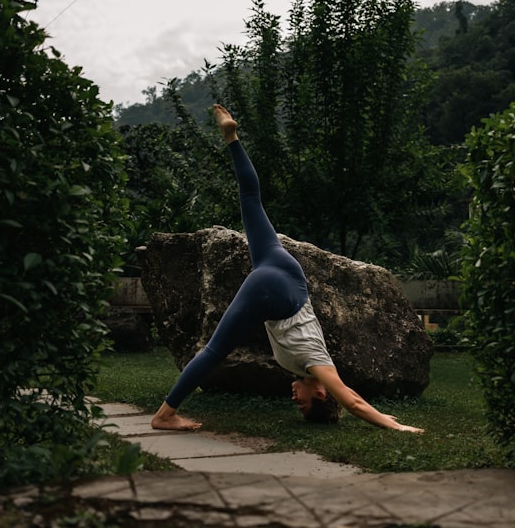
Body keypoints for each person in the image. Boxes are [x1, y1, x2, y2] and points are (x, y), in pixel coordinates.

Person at [150, 104, 424, 434]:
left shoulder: (313, 367)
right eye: (305, 403)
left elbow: (348, 396)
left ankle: (232, 138)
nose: (295, 399)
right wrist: (393, 425)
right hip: (278, 294)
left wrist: (378, 412)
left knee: (251, 199)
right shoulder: (318, 366)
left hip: (288, 273)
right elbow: (352, 402)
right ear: (320, 392)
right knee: (213, 350)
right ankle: (164, 415)